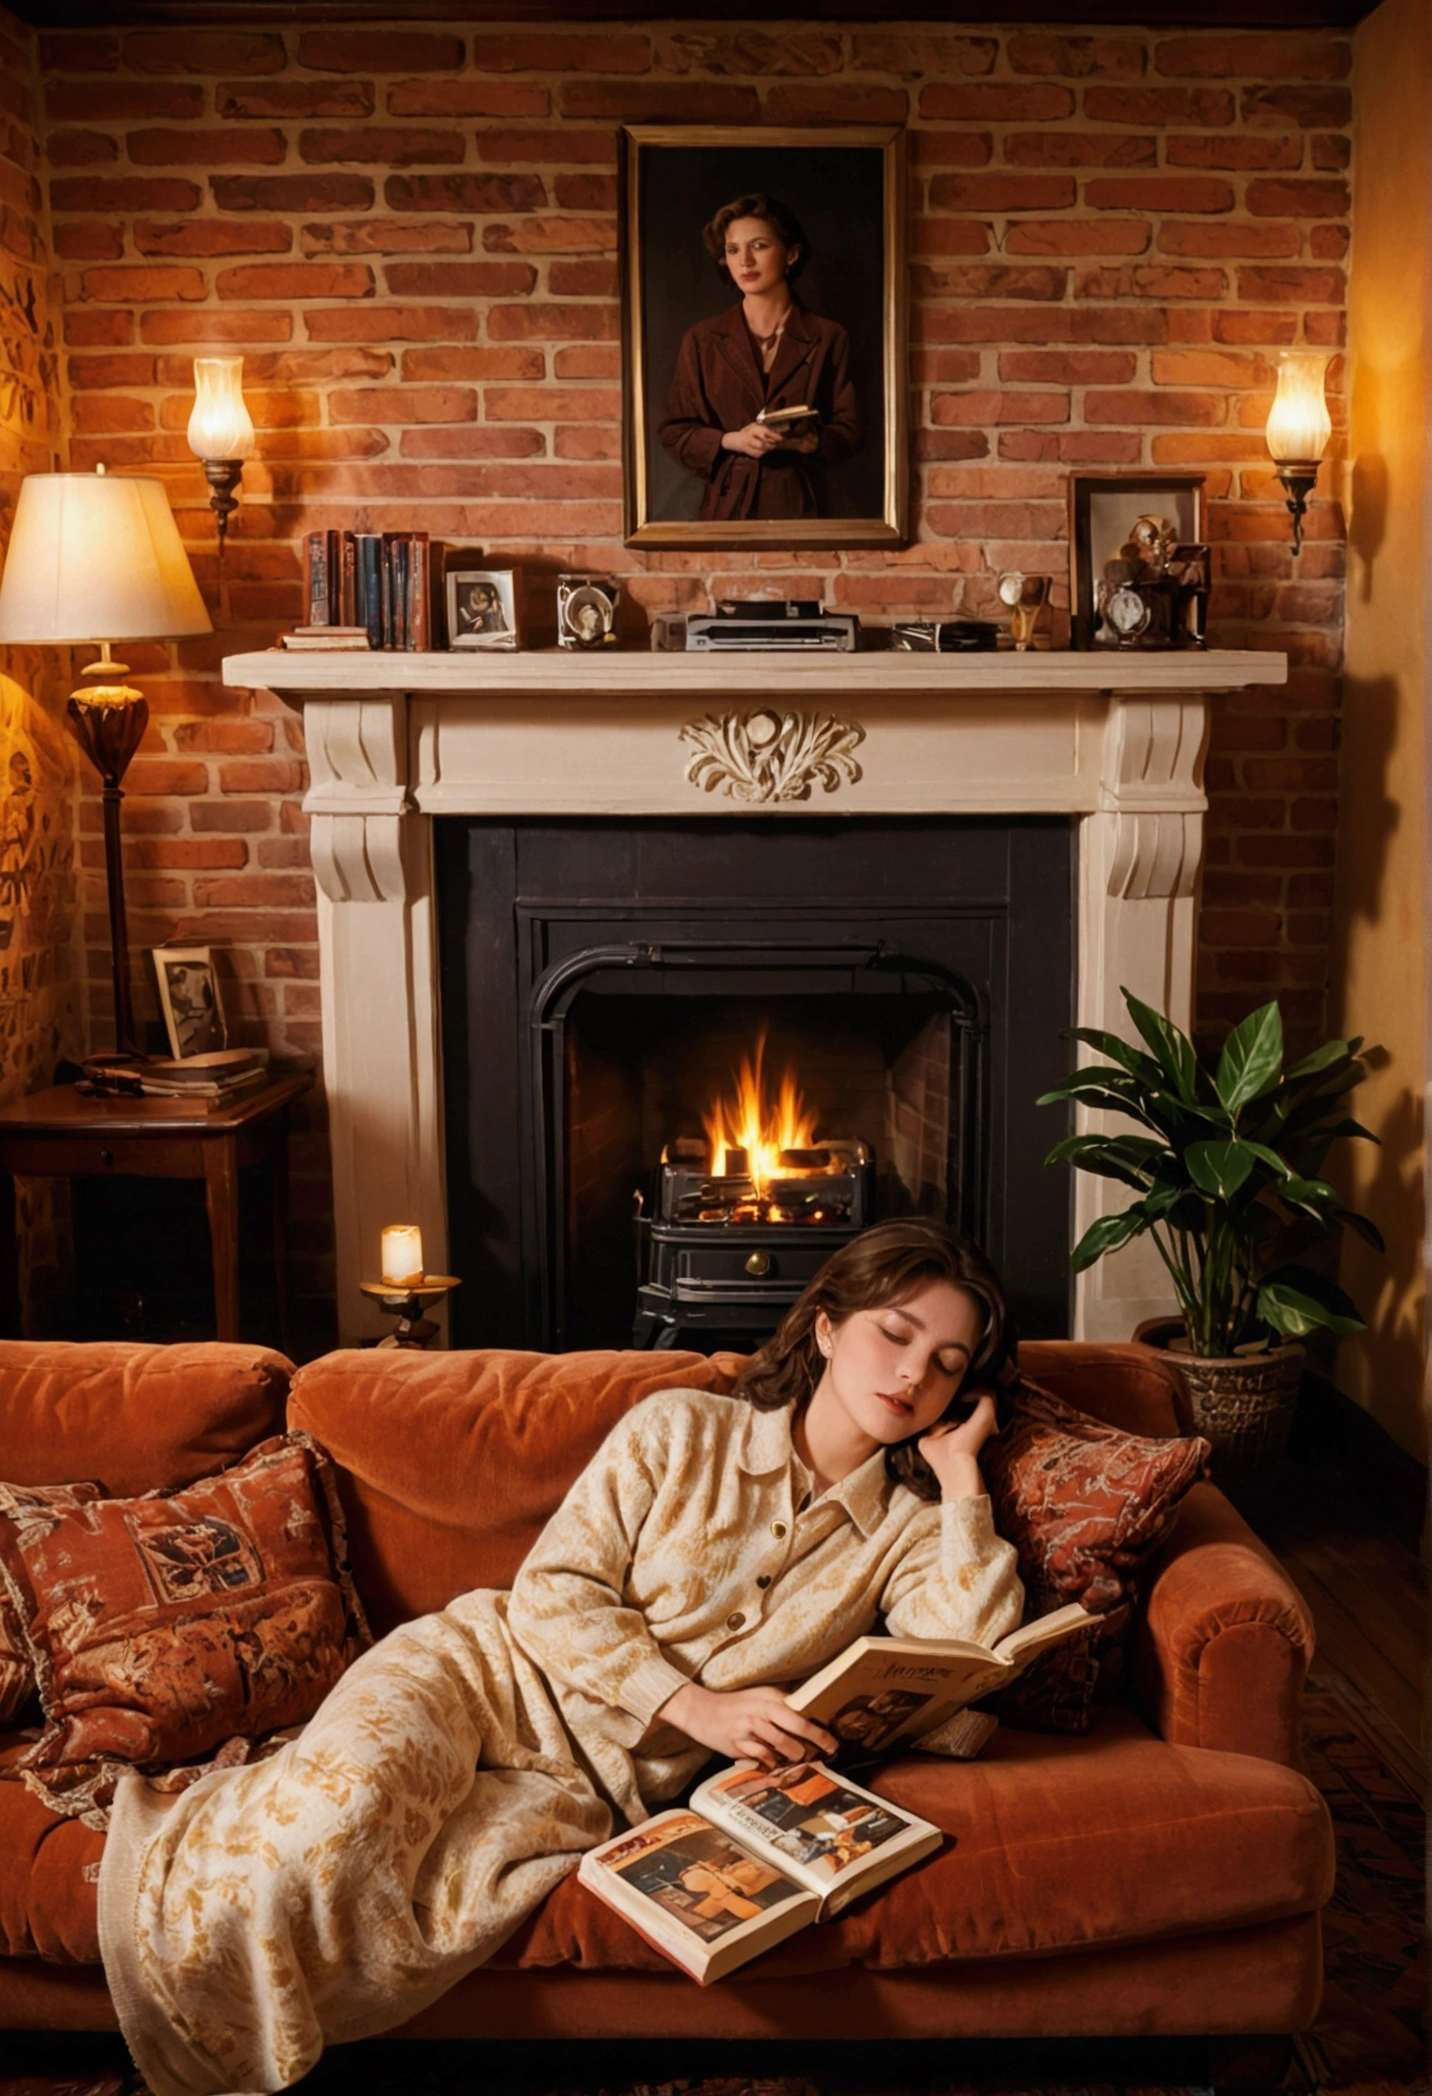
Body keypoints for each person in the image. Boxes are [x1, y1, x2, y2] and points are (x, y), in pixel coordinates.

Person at [99, 1220, 1023, 2096]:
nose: (912, 1374)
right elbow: (554, 1590)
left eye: (947, 1365)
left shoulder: (908, 1533)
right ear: (825, 1326)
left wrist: (960, 1479)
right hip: (478, 1675)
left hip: (584, 1789)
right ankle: (211, 2040)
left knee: (429, 1899)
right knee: (332, 1822)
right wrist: (694, 1706)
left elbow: (973, 1648)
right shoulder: (680, 1429)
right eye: (895, 1333)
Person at [657, 192, 861, 522]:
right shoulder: (702, 340)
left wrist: (810, 442)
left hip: (801, 511)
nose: (745, 261)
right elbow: (675, 432)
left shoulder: (828, 337)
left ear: (791, 253)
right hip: (725, 512)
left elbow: (849, 431)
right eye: (733, 250)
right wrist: (731, 440)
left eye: (760, 245)